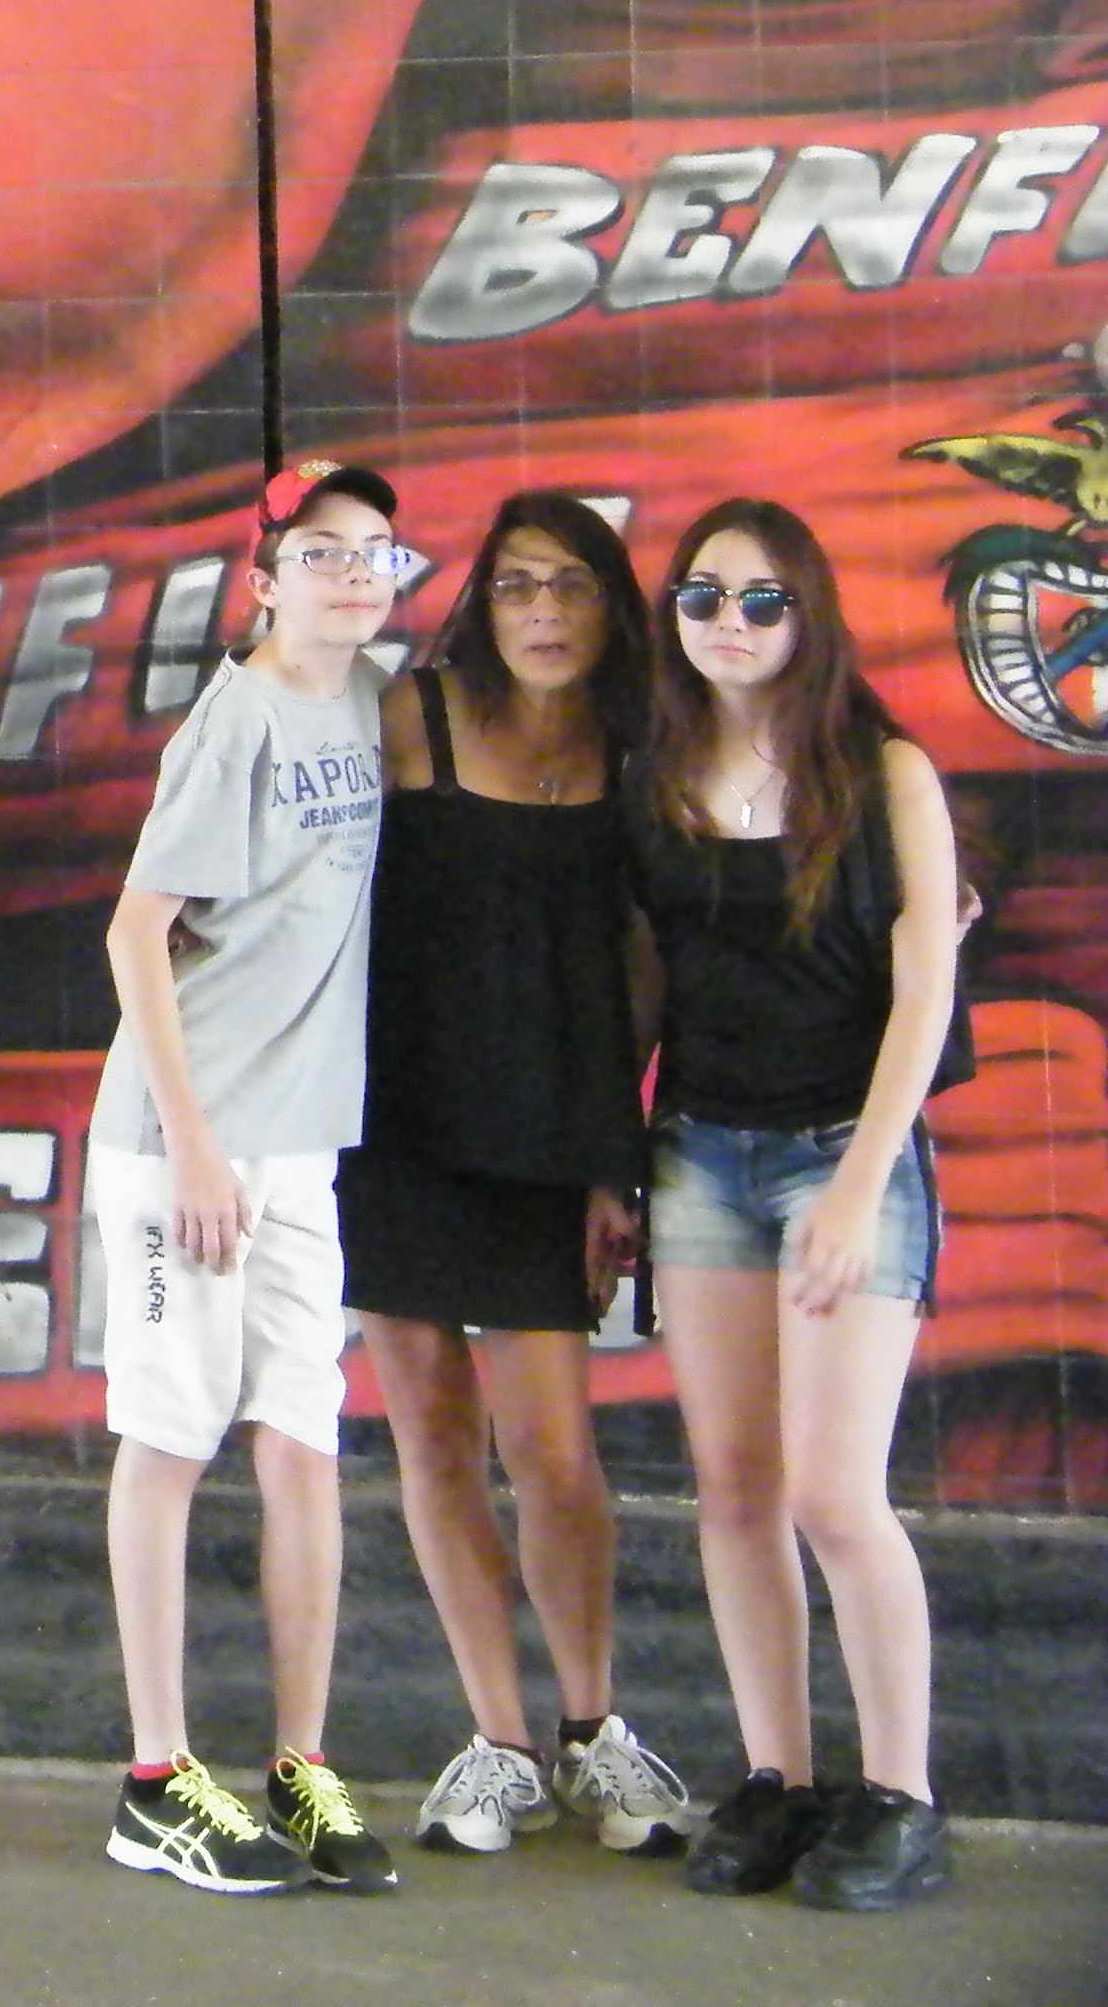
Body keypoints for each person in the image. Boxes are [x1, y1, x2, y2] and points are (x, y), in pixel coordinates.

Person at [343, 494, 696, 1860]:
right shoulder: (412, 716)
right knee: (434, 1439)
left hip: (554, 1127)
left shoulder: (639, 749)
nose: (543, 612)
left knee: (554, 1453)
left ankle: (594, 1730)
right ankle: (497, 1743)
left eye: (572, 586)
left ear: (613, 608)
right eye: (516, 585)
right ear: (482, 604)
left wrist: (617, 1157)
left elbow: (643, 967)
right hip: (393, 1122)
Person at [632, 498, 965, 1912]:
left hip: (845, 1152)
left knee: (834, 1493)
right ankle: (779, 1779)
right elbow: (644, 977)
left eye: (763, 600)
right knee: (736, 1490)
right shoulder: (656, 774)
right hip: (700, 1154)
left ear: (808, 615)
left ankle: (901, 1797)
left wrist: (860, 1180)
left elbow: (925, 988)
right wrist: (614, 1162)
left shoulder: (885, 771)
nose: (731, 623)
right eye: (705, 597)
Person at [92, 457, 410, 1895]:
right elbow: (134, 933)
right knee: (171, 1445)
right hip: (191, 1147)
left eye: (375, 550)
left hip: (301, 1139)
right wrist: (195, 1146)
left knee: (300, 1444)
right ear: (266, 578)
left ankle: (300, 1764)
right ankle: (155, 1782)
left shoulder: (368, 695)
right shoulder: (236, 726)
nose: (353, 572)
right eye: (322, 551)